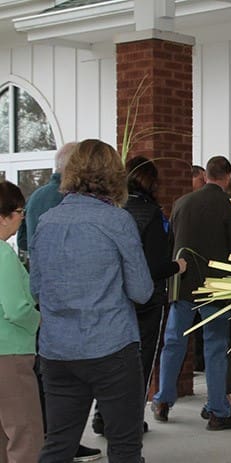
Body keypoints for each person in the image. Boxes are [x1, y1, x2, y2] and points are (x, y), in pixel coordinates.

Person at [30, 139, 153, 463]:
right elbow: (142, 291)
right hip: (110, 347)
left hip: (57, 351)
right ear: (115, 175)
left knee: (58, 443)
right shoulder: (117, 221)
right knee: (125, 447)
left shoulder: (46, 222)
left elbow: (36, 289)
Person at [151, 156, 231, 431]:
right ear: (228, 177)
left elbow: (172, 242)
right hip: (216, 288)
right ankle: (218, 409)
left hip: (182, 284)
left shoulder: (181, 203)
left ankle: (162, 400)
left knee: (173, 342)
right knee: (216, 347)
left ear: (206, 175)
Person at [89, 156, 187, 435]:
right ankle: (128, 421)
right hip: (145, 301)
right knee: (139, 364)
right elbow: (154, 267)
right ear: (152, 182)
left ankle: (102, 416)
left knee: (110, 361)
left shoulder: (111, 210)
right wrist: (177, 266)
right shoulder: (150, 213)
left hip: (113, 299)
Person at [0, 181, 43, 463]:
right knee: (26, 436)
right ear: (3, 216)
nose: (23, 217)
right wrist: (40, 320)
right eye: (19, 211)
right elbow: (16, 309)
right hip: (10, 354)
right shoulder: (3, 254)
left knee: (4, 438)